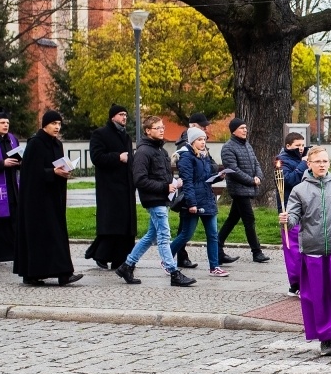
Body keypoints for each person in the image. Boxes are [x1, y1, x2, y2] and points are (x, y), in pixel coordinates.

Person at [279, 146, 331, 355]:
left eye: (325, 161)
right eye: (318, 162)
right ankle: (325, 338)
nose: (322, 165)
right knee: (319, 296)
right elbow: (295, 217)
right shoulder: (299, 190)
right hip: (312, 251)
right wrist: (287, 220)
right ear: (310, 164)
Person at [115, 117, 196, 287]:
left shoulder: (160, 150)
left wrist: (174, 182)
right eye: (157, 127)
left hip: (161, 198)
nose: (161, 130)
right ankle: (174, 272)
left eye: (162, 127)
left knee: (151, 235)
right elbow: (139, 179)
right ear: (147, 131)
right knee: (164, 236)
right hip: (153, 199)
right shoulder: (143, 152)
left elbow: (161, 175)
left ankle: (127, 266)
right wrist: (165, 187)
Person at [13, 110, 82, 286]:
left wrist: (65, 171)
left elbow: (59, 166)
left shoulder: (57, 144)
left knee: (56, 234)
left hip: (53, 197)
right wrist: (52, 172)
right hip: (36, 201)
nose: (57, 127)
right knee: (39, 236)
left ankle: (63, 273)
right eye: (54, 124)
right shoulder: (35, 144)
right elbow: (30, 172)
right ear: (45, 125)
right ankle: (34, 274)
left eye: (59, 124)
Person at [170, 128, 228, 277]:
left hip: (207, 199)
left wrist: (218, 177)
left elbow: (206, 178)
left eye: (204, 140)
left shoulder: (204, 156)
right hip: (194, 201)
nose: (203, 142)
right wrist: (192, 204)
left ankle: (214, 266)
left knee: (213, 235)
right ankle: (166, 258)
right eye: (199, 140)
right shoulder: (186, 157)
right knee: (186, 234)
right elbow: (188, 182)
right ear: (192, 141)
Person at [85, 104, 136, 270]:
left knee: (124, 225)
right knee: (111, 225)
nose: (124, 118)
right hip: (109, 188)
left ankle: (121, 258)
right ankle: (101, 255)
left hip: (126, 186)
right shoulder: (100, 134)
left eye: (126, 115)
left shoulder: (126, 137)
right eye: (121, 114)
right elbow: (96, 157)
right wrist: (117, 157)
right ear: (112, 117)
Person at [218, 117, 269, 263]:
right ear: (234, 130)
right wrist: (251, 180)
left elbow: (256, 163)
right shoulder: (228, 147)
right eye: (242, 128)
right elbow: (233, 170)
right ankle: (256, 252)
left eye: (245, 128)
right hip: (238, 189)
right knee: (249, 219)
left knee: (233, 219)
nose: (245, 130)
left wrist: (258, 176)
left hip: (248, 187)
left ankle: (217, 246)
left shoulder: (247, 145)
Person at [172, 112, 214, 268]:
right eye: (202, 125)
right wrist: (191, 202)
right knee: (185, 232)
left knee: (205, 233)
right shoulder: (187, 145)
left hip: (202, 193)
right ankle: (173, 257)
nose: (205, 129)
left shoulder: (200, 141)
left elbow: (210, 163)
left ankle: (213, 261)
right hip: (191, 194)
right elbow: (188, 176)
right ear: (193, 126)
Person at [276, 132, 308, 296]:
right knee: (293, 249)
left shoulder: (301, 159)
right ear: (288, 146)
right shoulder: (282, 162)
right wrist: (303, 165)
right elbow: (289, 181)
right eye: (297, 146)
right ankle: (296, 283)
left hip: (306, 209)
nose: (301, 149)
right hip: (290, 209)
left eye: (303, 145)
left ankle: (305, 281)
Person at [0, 107, 21, 266]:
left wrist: (20, 162)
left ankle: (11, 253)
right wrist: (2, 163)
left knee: (13, 221)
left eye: (7, 122)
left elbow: (18, 158)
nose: (5, 125)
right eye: (2, 122)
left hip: (12, 188)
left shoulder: (12, 139)